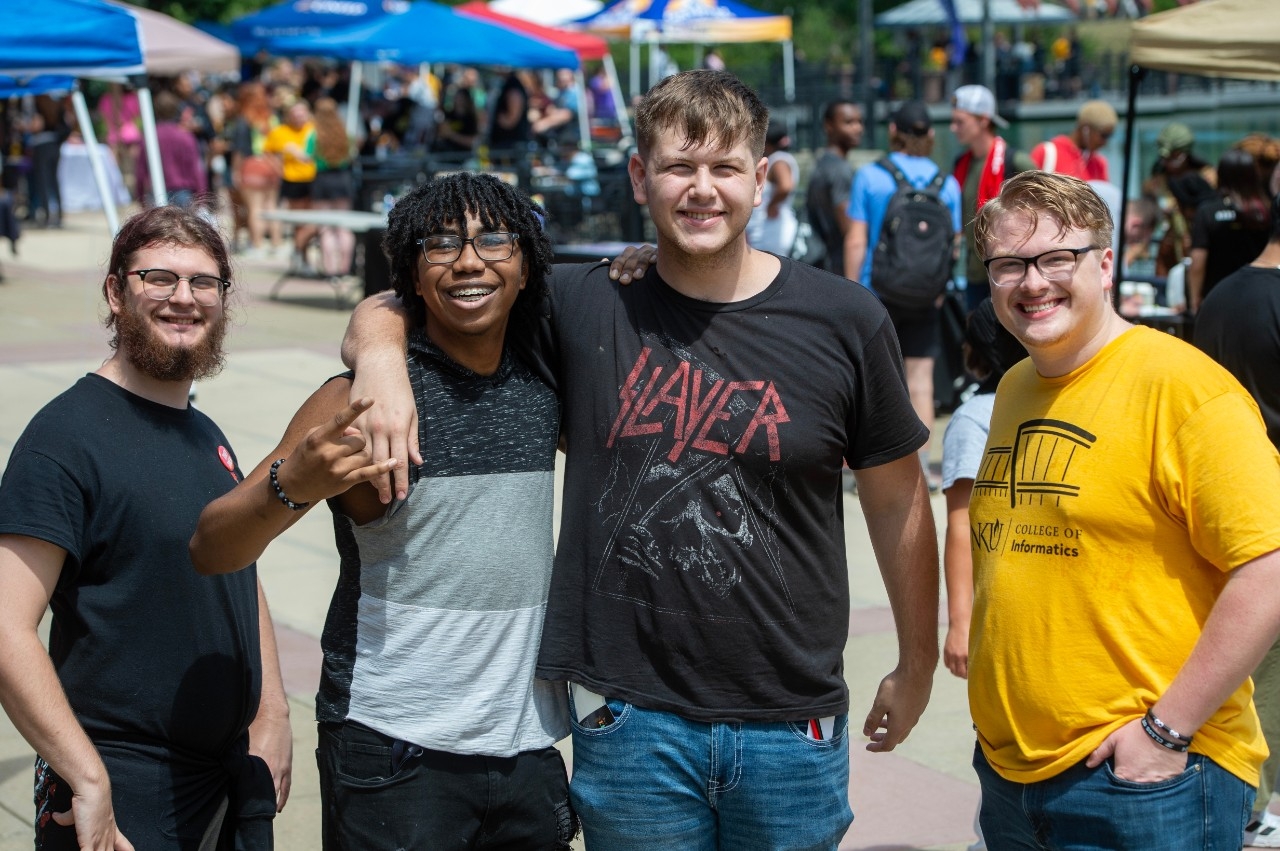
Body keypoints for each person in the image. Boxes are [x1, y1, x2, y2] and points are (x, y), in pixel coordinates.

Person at [342, 69, 940, 850]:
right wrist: (381, 364)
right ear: (638, 177)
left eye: (725, 168)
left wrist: (917, 661)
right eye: (678, 167)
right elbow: (411, 296)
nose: (701, 190)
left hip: (791, 723)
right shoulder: (586, 300)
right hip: (630, 719)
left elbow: (899, 503)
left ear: (762, 180)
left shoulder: (845, 320)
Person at [189, 173, 578, 850]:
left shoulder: (544, 378)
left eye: (493, 240)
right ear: (411, 275)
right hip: (393, 749)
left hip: (527, 745)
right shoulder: (356, 401)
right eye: (440, 245)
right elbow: (211, 548)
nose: (468, 260)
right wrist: (294, 481)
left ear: (525, 265)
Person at [967, 170, 1280, 848]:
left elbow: (1268, 568)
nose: (1032, 282)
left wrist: (1165, 731)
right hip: (1012, 776)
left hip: (1147, 779)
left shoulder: (1186, 389)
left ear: (1105, 263)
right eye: (1009, 264)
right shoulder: (1019, 383)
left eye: (1057, 258)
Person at [0, 205, 292, 851]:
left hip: (225, 787)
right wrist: (86, 775)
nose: (183, 298)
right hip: (125, 794)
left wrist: (272, 710)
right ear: (115, 291)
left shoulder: (205, 432)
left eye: (203, 282)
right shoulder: (64, 438)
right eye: (158, 277)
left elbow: (239, 566)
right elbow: (5, 626)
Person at [1194, 195, 1280, 848]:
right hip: (1269, 500)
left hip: (1225, 495)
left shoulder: (1221, 295)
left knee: (1241, 653)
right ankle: (1262, 798)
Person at [940, 299, 1027, 851]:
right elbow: (962, 524)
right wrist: (961, 621)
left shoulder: (974, 415)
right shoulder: (996, 412)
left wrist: (960, 620)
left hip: (1005, 608)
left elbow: (956, 524)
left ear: (975, 356)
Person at [846, 99, 962, 487]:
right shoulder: (948, 183)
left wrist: (849, 290)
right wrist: (942, 289)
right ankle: (924, 465)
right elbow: (955, 245)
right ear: (930, 135)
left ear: (893, 132)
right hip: (926, 295)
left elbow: (856, 239)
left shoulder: (870, 177)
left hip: (875, 292)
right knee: (920, 379)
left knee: (866, 379)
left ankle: (864, 468)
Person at [949, 85, 1034, 310]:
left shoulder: (1016, 162)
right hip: (975, 274)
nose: (953, 128)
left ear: (983, 120)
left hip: (1010, 273)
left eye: (960, 121)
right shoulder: (960, 164)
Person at [1188, 148, 1272, 311]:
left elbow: (1198, 260)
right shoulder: (1266, 212)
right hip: (1260, 298)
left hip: (1217, 299)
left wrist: (1194, 298)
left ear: (1221, 175)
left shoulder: (1208, 212)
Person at [805, 99, 863, 276]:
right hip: (838, 268)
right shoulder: (839, 169)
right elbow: (850, 232)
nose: (857, 128)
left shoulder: (823, 163)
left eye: (859, 122)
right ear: (829, 126)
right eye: (848, 122)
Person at [264, 100, 317, 275]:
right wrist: (279, 169)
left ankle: (300, 253)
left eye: (302, 112)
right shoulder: (280, 131)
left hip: (315, 179)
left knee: (313, 222)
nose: (299, 116)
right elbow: (268, 151)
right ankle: (302, 256)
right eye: (295, 113)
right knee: (299, 222)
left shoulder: (314, 129)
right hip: (293, 180)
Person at [308, 97, 357, 278]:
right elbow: (351, 156)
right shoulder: (345, 134)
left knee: (325, 227)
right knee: (344, 227)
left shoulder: (315, 135)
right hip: (342, 179)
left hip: (322, 179)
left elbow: (308, 156)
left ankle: (330, 270)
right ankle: (344, 269)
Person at [137, 90, 207, 209]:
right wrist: (202, 197)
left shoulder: (150, 136)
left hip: (156, 192)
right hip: (183, 193)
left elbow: (140, 170)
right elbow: (196, 169)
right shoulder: (185, 137)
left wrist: (140, 195)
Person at [745, 119, 799, 255]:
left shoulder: (779, 160)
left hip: (773, 230)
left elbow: (785, 186)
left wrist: (772, 205)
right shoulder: (781, 158)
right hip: (767, 230)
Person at [1029, 99, 1117, 182]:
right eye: (1104, 135)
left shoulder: (1099, 164)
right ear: (1086, 130)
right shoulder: (1046, 153)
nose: (1105, 142)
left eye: (1110, 136)